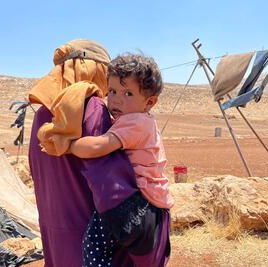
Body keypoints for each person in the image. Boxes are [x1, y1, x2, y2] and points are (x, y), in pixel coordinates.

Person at [28, 39, 170, 267]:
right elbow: (115, 190)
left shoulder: (42, 116)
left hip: (56, 244)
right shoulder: (91, 109)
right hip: (95, 244)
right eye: (110, 83)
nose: (110, 94)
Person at [67, 53, 173, 266]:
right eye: (112, 91)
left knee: (94, 245)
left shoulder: (134, 122)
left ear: (149, 102)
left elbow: (99, 146)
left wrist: (68, 145)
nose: (116, 99)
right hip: (152, 204)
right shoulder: (143, 122)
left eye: (128, 93)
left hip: (135, 203)